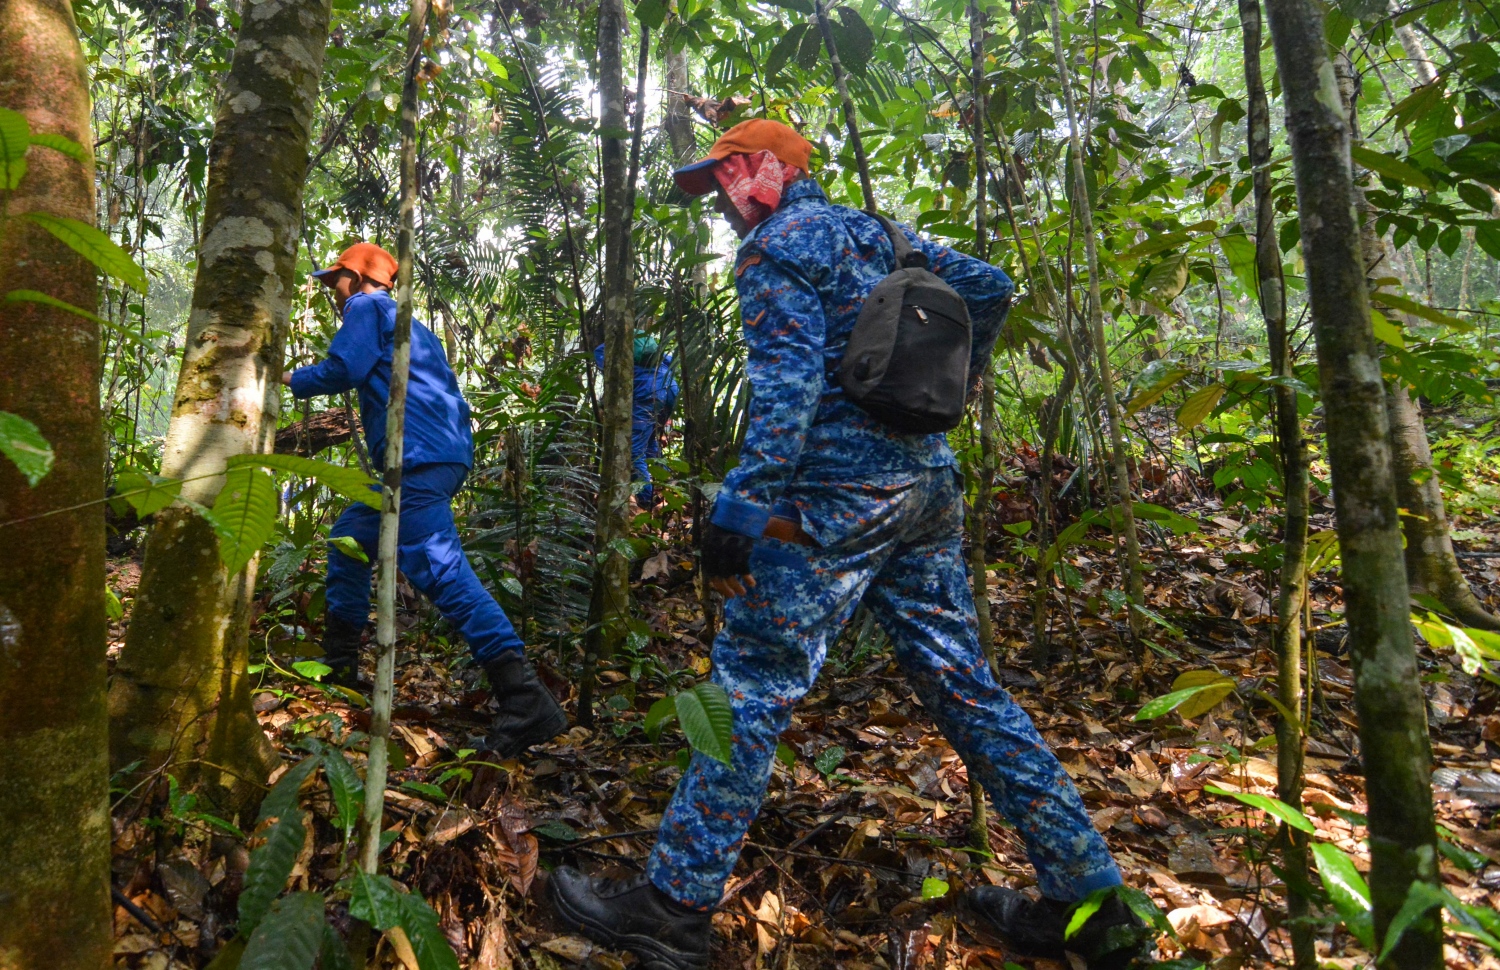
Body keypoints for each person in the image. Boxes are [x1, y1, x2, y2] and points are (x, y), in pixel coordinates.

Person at [547, 120, 1150, 969]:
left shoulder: (777, 249)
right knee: (967, 688)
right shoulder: (883, 235)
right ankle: (1095, 904)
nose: (718, 204)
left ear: (766, 170)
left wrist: (740, 510)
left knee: (752, 685)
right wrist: (950, 383)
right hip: (926, 489)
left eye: (723, 179)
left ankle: (673, 907)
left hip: (831, 503)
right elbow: (990, 283)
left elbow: (787, 395)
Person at [283, 241, 566, 758]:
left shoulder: (369, 307)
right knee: (348, 537)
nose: (334, 293)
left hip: (414, 459)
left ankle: (525, 698)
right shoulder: (415, 324)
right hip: (432, 457)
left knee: (440, 571)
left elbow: (342, 369)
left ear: (357, 276)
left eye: (336, 281)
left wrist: (287, 378)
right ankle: (341, 667)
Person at [596, 333, 680, 507]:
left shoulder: (607, 348)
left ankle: (645, 502)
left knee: (634, 451)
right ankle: (668, 493)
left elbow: (608, 367)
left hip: (648, 392)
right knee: (649, 443)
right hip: (669, 386)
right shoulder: (645, 344)